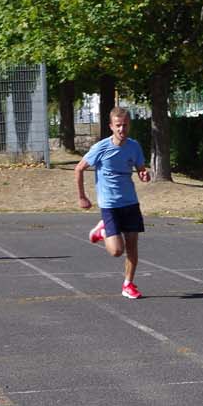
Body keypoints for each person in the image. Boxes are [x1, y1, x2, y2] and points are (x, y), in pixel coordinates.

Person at [75, 106, 151, 298]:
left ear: (129, 125)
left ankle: (128, 284)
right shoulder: (101, 148)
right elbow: (79, 169)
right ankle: (102, 230)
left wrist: (143, 174)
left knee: (132, 245)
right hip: (110, 204)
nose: (121, 129)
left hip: (130, 202)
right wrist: (82, 197)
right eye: (118, 125)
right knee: (117, 251)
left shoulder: (134, 146)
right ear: (111, 126)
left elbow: (140, 168)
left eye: (125, 125)